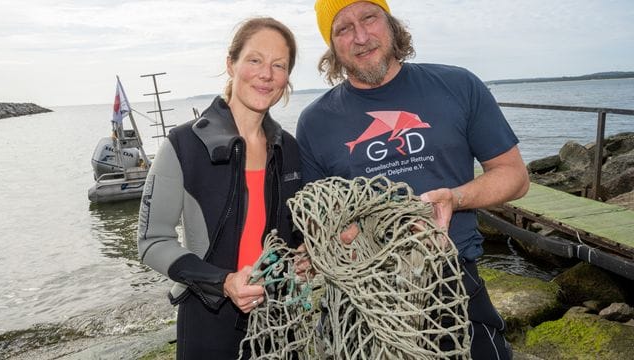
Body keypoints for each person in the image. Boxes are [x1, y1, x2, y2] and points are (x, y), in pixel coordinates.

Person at [296, 1, 530, 359]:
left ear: (390, 23)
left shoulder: (457, 85)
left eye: (369, 18)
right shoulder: (315, 121)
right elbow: (317, 220)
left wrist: (455, 198)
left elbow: (514, 177)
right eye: (343, 28)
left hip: (452, 277)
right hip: (363, 295)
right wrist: (340, 236)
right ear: (332, 46)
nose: (360, 37)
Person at [137, 17, 302, 359]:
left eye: (279, 65)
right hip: (208, 319)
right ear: (231, 64)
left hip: (281, 321)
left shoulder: (289, 148)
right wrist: (223, 281)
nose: (266, 74)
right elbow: (152, 241)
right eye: (254, 60)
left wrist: (306, 255)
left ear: (286, 78)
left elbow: (296, 234)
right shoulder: (184, 144)